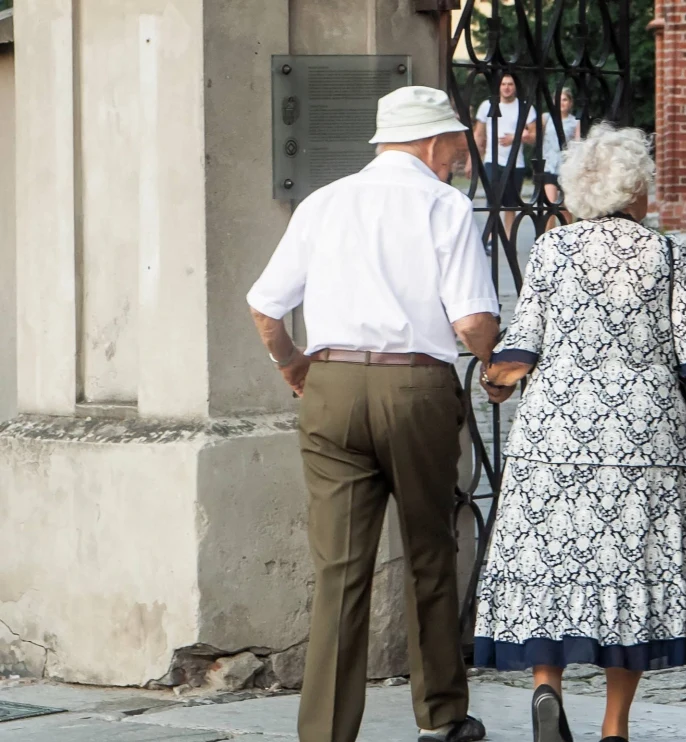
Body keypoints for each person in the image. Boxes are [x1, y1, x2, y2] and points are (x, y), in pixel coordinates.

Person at [246, 86, 499, 742]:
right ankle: (441, 718)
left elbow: (266, 309)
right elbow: (471, 319)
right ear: (431, 142)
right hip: (414, 388)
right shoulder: (443, 205)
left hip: (330, 387)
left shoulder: (323, 203)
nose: (458, 152)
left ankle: (326, 733)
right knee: (427, 553)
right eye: (453, 140)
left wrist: (293, 365)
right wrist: (494, 361)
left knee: (340, 568)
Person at [472, 125, 686, 742]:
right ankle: (615, 727)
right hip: (644, 436)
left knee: (549, 564)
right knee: (632, 571)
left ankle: (545, 689)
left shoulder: (552, 252)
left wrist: (497, 380)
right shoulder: (667, 256)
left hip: (554, 435)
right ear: (637, 188)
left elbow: (522, 345)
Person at [472, 73, 538, 240]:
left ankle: (509, 238)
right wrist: (471, 160)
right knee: (492, 202)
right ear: (498, 87)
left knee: (511, 204)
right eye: (503, 84)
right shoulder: (487, 106)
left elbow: (535, 136)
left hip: (516, 163)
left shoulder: (525, 107)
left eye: (510, 84)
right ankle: (490, 238)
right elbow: (478, 134)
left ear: (515, 86)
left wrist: (515, 137)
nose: (507, 87)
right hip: (492, 161)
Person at [539, 87, 581, 227]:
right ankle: (548, 238)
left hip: (566, 167)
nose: (561, 103)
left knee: (565, 209)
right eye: (558, 100)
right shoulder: (546, 118)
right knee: (551, 206)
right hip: (549, 165)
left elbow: (577, 143)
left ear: (570, 102)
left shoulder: (575, 122)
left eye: (564, 100)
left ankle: (566, 237)